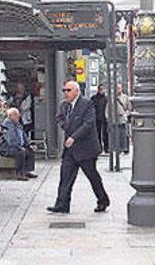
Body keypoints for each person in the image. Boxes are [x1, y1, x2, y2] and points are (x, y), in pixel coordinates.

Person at [48, 80, 111, 213]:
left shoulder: (87, 104)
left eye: (68, 90)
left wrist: (74, 137)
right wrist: (65, 126)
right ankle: (62, 204)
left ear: (77, 91)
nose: (66, 93)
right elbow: (59, 118)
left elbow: (88, 124)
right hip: (70, 149)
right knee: (65, 176)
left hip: (85, 148)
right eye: (64, 90)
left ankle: (103, 200)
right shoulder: (64, 105)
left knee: (92, 176)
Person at [0, 108, 38, 181]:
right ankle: (19, 173)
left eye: (18, 114)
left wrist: (28, 145)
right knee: (20, 152)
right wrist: (19, 147)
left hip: (16, 146)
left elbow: (24, 135)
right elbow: (11, 139)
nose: (18, 116)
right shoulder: (7, 124)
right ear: (10, 116)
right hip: (6, 147)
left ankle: (26, 171)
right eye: (16, 115)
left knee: (30, 151)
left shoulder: (17, 123)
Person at [90, 84, 108, 152]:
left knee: (105, 133)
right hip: (96, 118)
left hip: (104, 118)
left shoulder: (106, 98)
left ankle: (106, 148)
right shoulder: (94, 98)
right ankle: (99, 148)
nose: (102, 91)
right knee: (97, 133)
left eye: (103, 89)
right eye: (100, 89)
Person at [116, 83, 131, 154]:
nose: (118, 89)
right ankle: (118, 148)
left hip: (123, 118)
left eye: (119, 88)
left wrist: (126, 114)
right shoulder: (112, 98)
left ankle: (125, 148)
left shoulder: (125, 97)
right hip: (115, 118)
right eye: (117, 88)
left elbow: (129, 107)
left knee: (125, 133)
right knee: (117, 133)